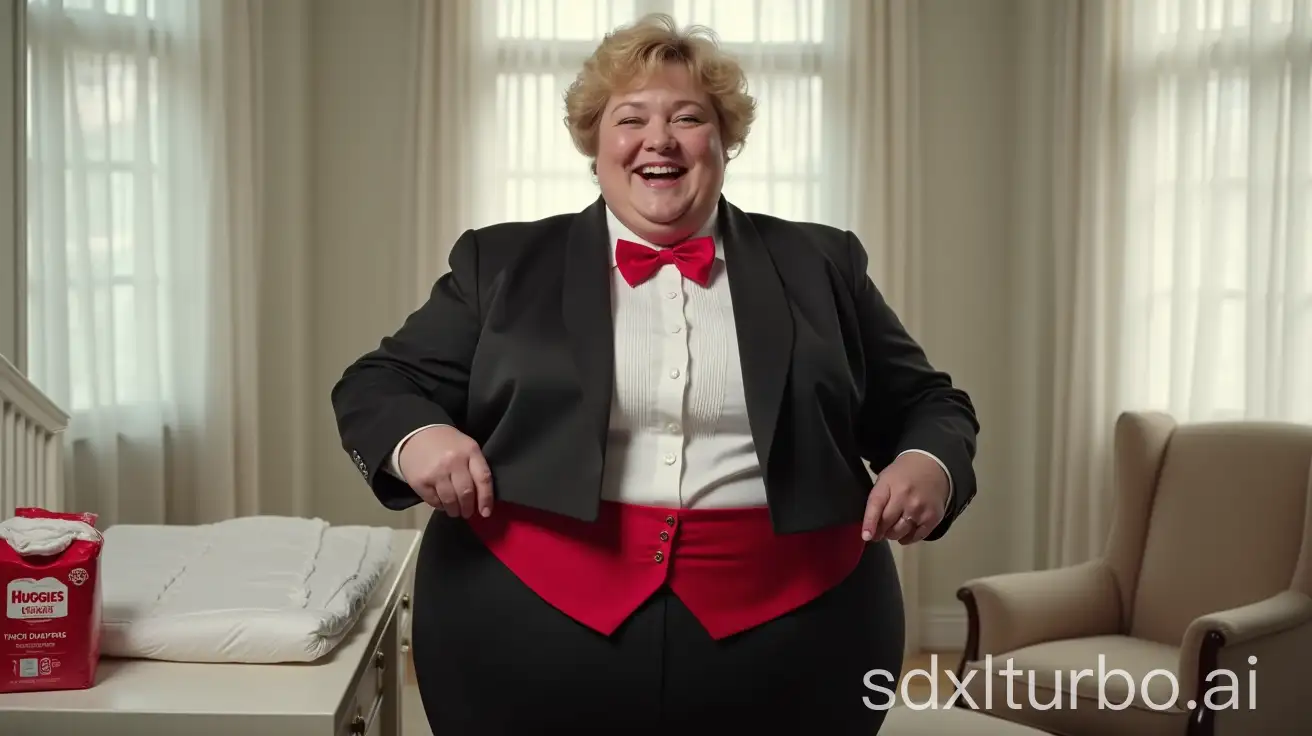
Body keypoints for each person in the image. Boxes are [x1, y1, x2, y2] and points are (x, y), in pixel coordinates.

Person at [331, 13, 979, 736]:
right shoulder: (501, 263)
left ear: (724, 139)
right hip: (523, 621)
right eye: (630, 118)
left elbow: (928, 402)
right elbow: (376, 383)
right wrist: (420, 437)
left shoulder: (823, 263)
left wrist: (928, 463)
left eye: (689, 117)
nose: (658, 139)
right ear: (596, 143)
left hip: (803, 625)